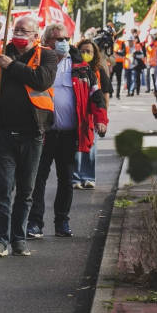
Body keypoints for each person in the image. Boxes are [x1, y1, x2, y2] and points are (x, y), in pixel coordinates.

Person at [0, 15, 58, 258]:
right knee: (4, 189)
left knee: (26, 191)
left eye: (25, 31)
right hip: (5, 134)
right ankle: (0, 240)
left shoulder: (46, 55)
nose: (19, 34)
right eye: (16, 29)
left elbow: (42, 80)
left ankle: (19, 239)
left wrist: (13, 67)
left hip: (32, 135)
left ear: (36, 36)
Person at [27, 25, 108, 239]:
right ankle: (35, 223)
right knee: (38, 179)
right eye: (58, 38)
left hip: (69, 134)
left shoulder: (81, 66)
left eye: (66, 38)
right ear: (46, 41)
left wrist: (101, 119)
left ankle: (62, 221)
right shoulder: (37, 62)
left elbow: (96, 94)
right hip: (43, 134)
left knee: (66, 179)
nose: (63, 41)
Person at [72, 38, 112, 189]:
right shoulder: (73, 69)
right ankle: (76, 178)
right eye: (82, 51)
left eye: (88, 51)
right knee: (76, 148)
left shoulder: (99, 71)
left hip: (93, 115)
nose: (85, 54)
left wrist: (102, 117)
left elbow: (105, 93)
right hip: (78, 114)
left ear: (94, 53)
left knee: (91, 148)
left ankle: (88, 178)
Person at [112, 30, 127, 99]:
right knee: (109, 79)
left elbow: (124, 53)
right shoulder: (110, 43)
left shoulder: (121, 43)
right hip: (111, 63)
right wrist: (118, 52)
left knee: (119, 79)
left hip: (119, 63)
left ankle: (118, 94)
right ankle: (110, 93)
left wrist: (116, 52)